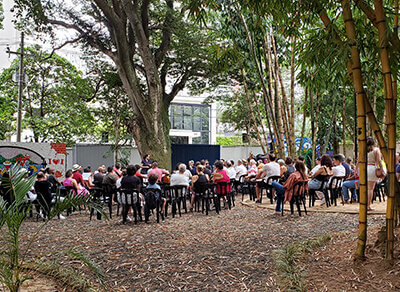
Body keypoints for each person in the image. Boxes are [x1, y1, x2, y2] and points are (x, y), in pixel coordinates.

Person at [366, 136, 384, 211]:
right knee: (370, 188)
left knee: (366, 188)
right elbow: (379, 161)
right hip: (372, 168)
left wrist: (356, 170)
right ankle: (368, 205)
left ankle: (364, 205)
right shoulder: (376, 150)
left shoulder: (364, 150)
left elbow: (358, 160)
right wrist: (382, 169)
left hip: (364, 168)